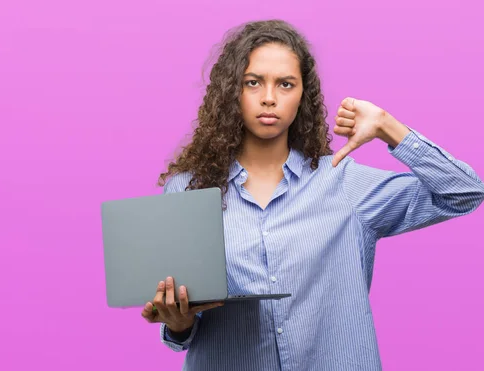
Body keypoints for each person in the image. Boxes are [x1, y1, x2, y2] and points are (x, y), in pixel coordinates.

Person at [140, 19, 484, 370]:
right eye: (253, 82)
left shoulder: (343, 181)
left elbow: (464, 192)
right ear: (232, 91)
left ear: (303, 94)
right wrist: (177, 323)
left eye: (285, 84)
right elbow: (180, 331)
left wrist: (386, 126)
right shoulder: (188, 190)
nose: (269, 98)